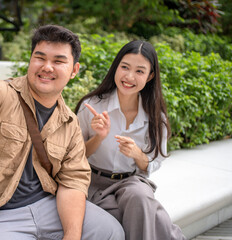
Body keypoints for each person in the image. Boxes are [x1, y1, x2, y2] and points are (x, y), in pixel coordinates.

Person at [0, 17, 125, 240]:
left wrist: (71, 235)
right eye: (40, 57)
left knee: (111, 231)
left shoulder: (69, 123)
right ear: (30, 60)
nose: (47, 67)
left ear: (74, 70)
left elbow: (73, 182)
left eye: (58, 61)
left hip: (47, 206)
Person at [75, 40, 186, 240]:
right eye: (124, 67)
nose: (129, 76)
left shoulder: (155, 116)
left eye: (139, 71)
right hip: (94, 183)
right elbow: (75, 156)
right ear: (116, 67)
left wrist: (138, 154)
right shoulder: (90, 106)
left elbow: (154, 162)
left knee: (140, 197)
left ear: (150, 76)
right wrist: (99, 137)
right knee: (149, 216)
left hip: (132, 182)